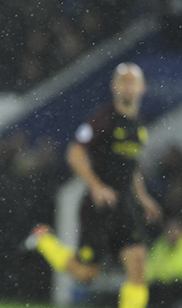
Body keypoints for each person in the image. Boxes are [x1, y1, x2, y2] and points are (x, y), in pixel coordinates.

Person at [23, 62, 162, 308]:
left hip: (125, 205)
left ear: (142, 87)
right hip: (98, 206)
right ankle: (43, 238)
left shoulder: (138, 125)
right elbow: (74, 153)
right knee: (86, 273)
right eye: (124, 81)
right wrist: (97, 186)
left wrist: (143, 197)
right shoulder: (103, 118)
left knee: (138, 266)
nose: (129, 86)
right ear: (114, 86)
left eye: (133, 81)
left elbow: (131, 167)